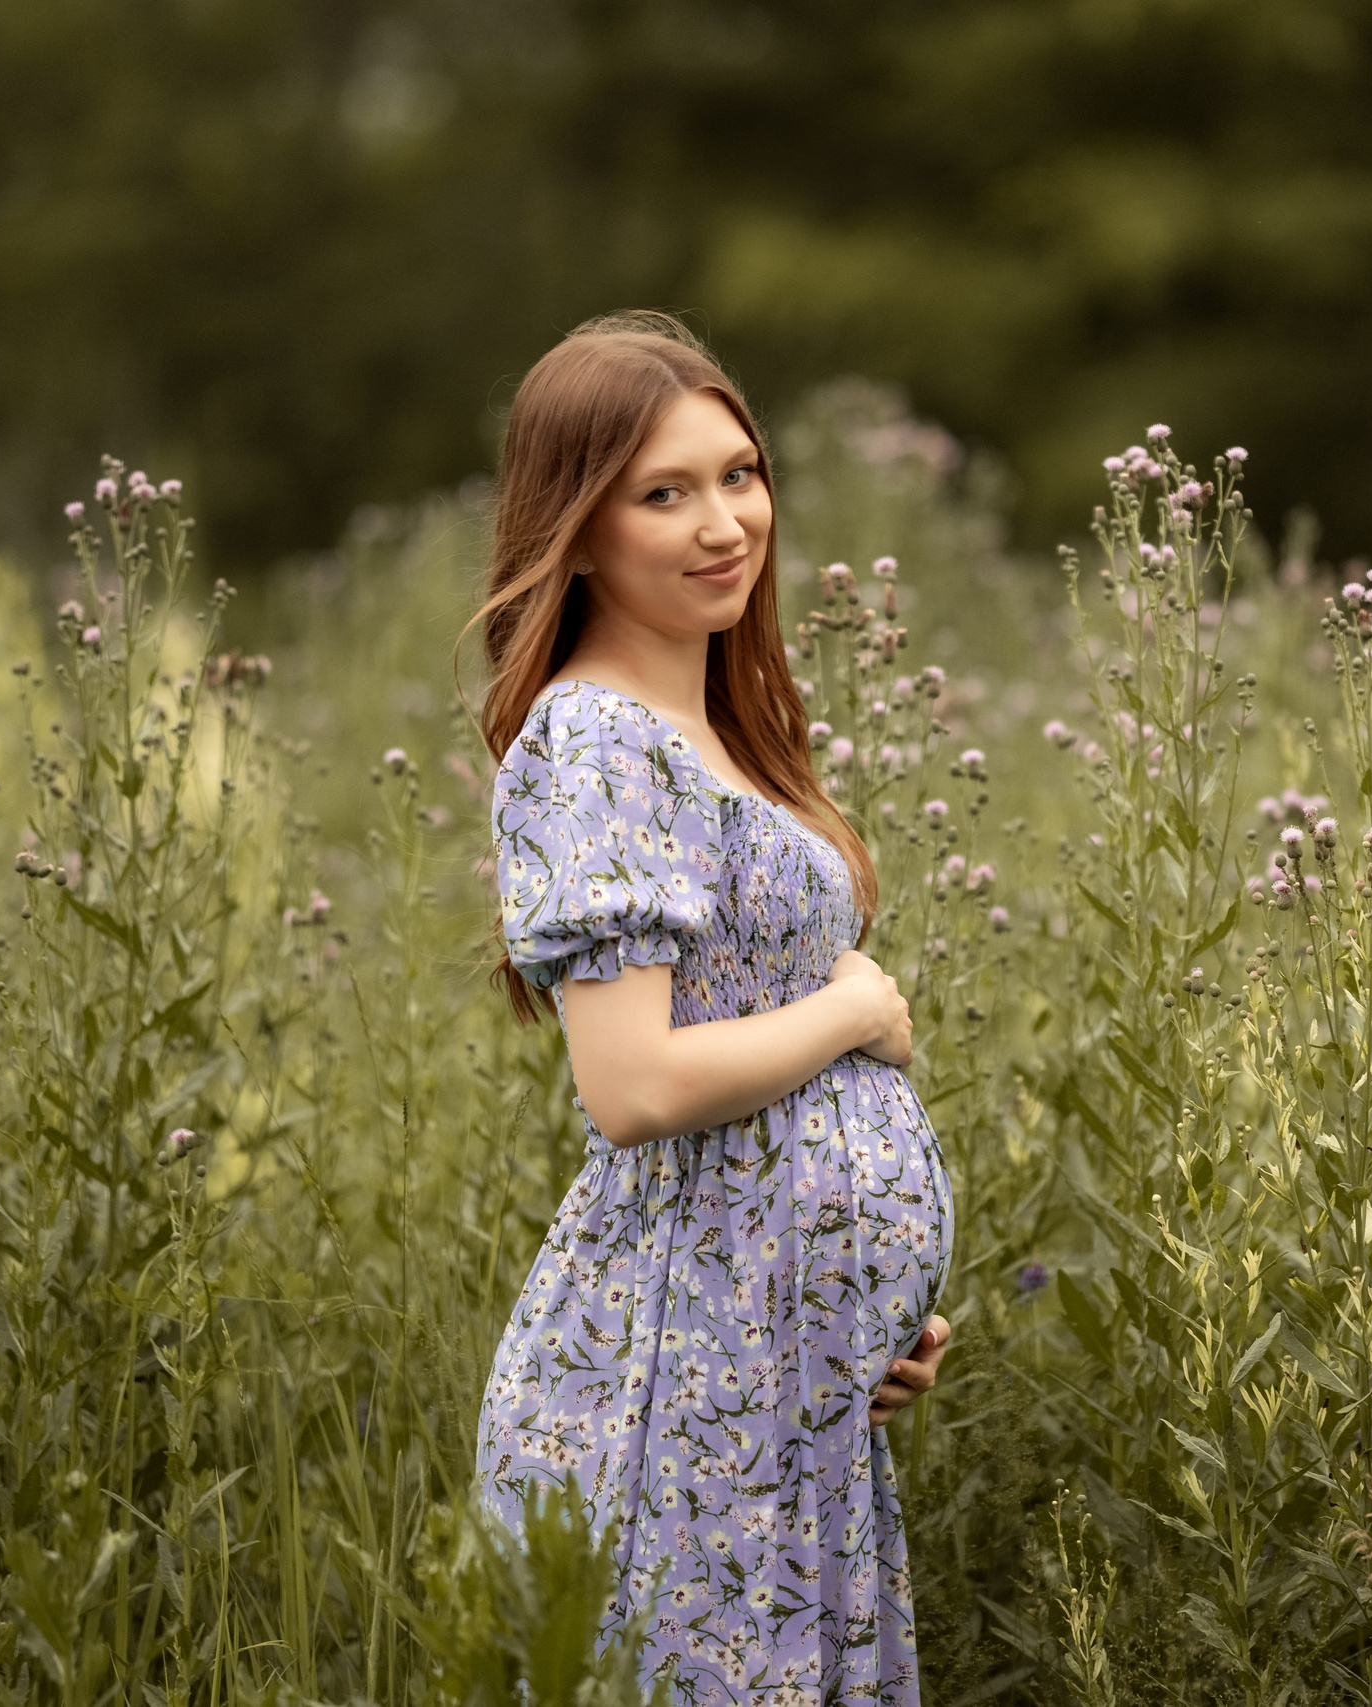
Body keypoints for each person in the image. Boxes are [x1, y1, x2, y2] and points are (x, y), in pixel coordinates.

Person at [465, 310, 956, 1704]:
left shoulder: (720, 733)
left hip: (773, 1404)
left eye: (739, 475)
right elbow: (636, 1089)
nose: (724, 522)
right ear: (580, 527)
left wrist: (863, 1324)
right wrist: (856, 1009)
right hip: (669, 1410)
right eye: (663, 493)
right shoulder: (594, 737)